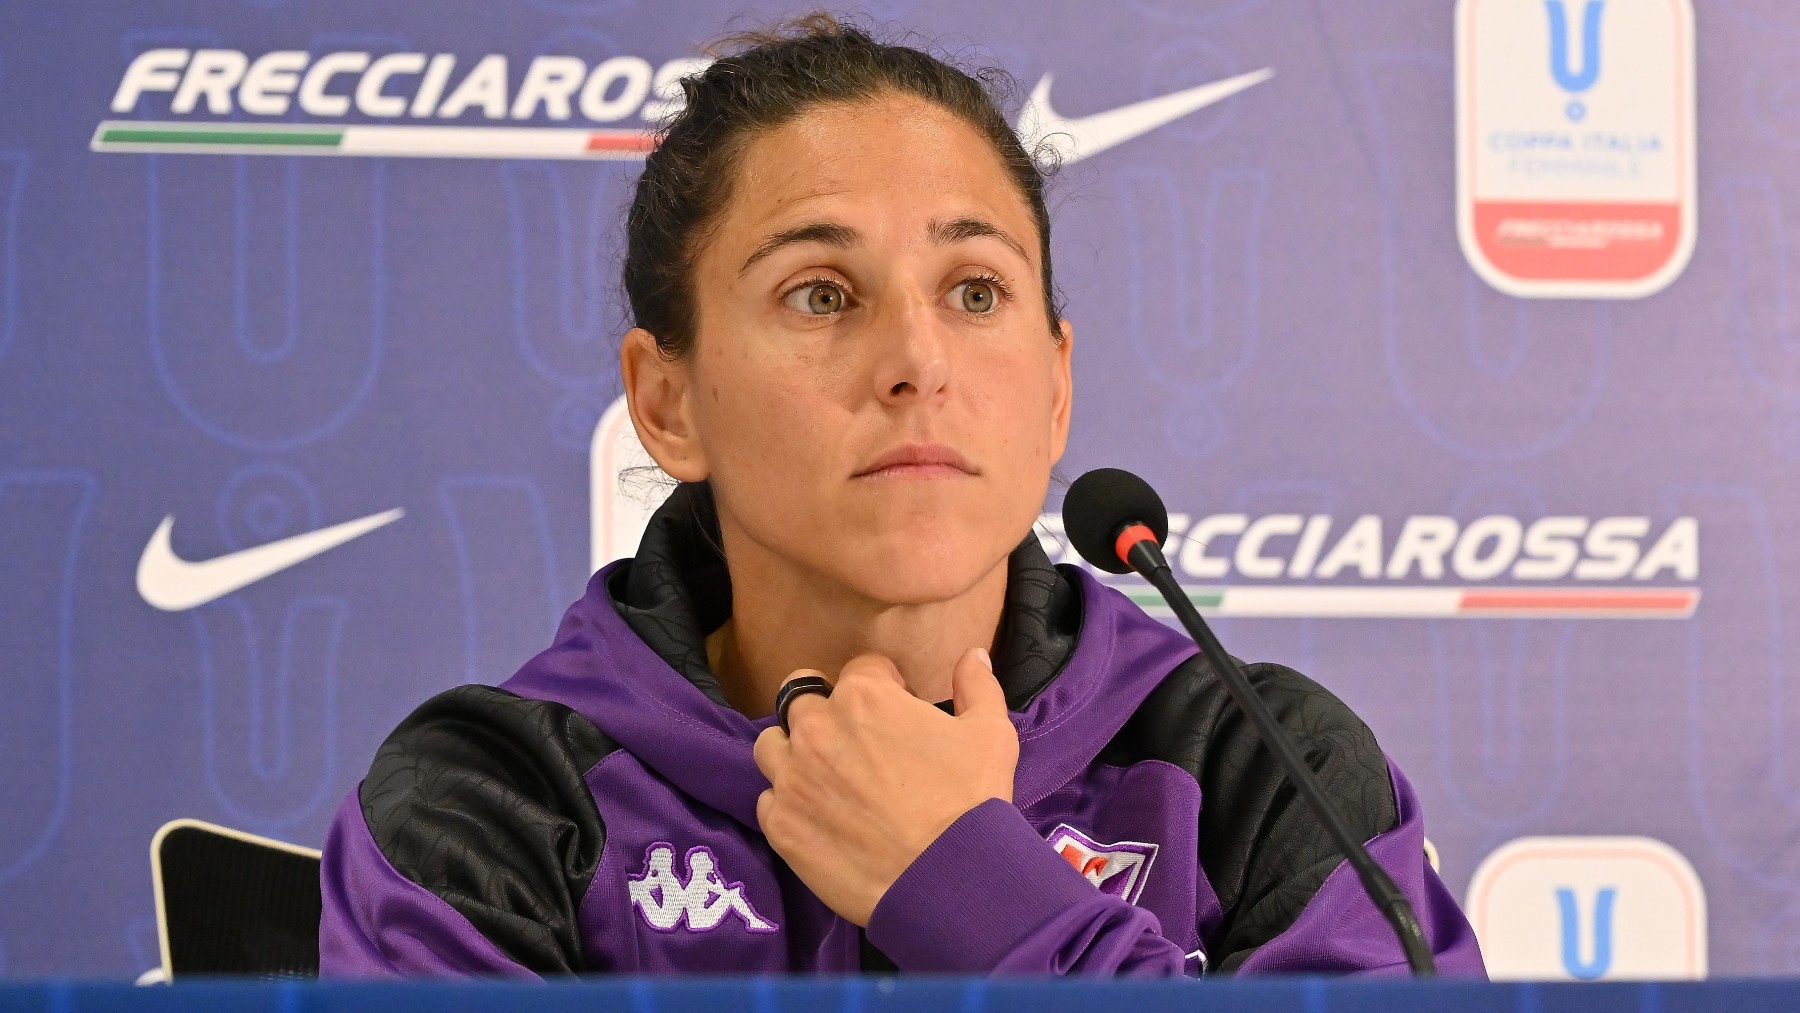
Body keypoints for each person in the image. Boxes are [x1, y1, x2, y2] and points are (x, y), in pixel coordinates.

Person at [318, 14, 1485, 977]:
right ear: (667, 401)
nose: (918, 360)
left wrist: (968, 884)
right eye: (822, 294)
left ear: (1057, 386)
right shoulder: (493, 801)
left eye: (976, 292)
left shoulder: (1257, 765)